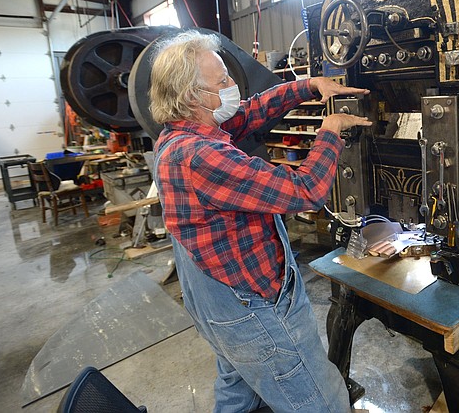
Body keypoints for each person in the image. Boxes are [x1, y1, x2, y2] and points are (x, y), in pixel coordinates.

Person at [149, 30, 371, 413]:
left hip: (215, 304)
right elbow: (306, 190)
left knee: (239, 389)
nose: (233, 86)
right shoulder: (200, 156)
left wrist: (308, 87)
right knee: (323, 400)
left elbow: (250, 112)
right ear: (191, 96)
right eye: (222, 82)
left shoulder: (178, 134)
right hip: (250, 308)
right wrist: (330, 132)